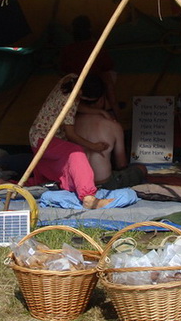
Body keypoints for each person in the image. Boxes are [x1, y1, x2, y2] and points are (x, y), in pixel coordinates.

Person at [28, 74, 114, 209]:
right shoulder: (69, 100)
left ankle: (5, 182)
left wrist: (96, 112)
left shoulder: (69, 79)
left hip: (37, 136)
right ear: (82, 96)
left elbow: (72, 108)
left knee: (45, 179)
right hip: (45, 138)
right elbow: (71, 134)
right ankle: (88, 197)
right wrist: (94, 146)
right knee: (75, 153)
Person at [74, 75, 147, 189]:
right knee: (141, 169)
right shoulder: (113, 126)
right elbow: (121, 165)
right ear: (102, 99)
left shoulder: (70, 123)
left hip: (77, 183)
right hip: (104, 183)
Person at [60, 14, 121, 120]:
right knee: (109, 76)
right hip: (93, 89)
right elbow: (108, 66)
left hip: (75, 89)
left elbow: (63, 68)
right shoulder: (96, 47)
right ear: (90, 30)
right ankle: (115, 110)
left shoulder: (68, 49)